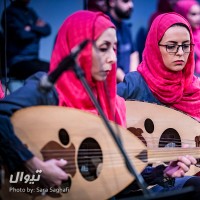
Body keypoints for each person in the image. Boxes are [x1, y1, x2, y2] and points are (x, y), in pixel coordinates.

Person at [0, 10, 198, 199]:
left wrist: (161, 173)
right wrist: (32, 164)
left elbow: (115, 176)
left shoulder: (113, 104)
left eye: (114, 49)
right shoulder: (47, 88)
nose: (112, 58)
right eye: (103, 48)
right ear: (78, 49)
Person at [117, 12, 200, 122]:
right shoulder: (135, 84)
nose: (180, 52)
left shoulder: (195, 89)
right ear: (154, 47)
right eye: (171, 46)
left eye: (186, 46)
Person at [1, 0, 51, 81]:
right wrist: (37, 29)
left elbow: (47, 30)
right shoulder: (9, 13)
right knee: (46, 72)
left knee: (57, 69)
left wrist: (30, 28)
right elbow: (21, 35)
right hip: (18, 61)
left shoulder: (30, 12)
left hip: (34, 60)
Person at [107, 0, 139, 83]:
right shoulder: (106, 26)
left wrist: (132, 80)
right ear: (112, 2)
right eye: (125, 1)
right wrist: (128, 83)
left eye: (131, 1)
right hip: (114, 86)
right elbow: (108, 61)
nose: (131, 5)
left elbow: (133, 53)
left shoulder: (125, 27)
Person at [174, 0, 200, 77]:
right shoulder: (175, 37)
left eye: (199, 13)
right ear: (183, 15)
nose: (198, 18)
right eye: (193, 14)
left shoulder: (198, 33)